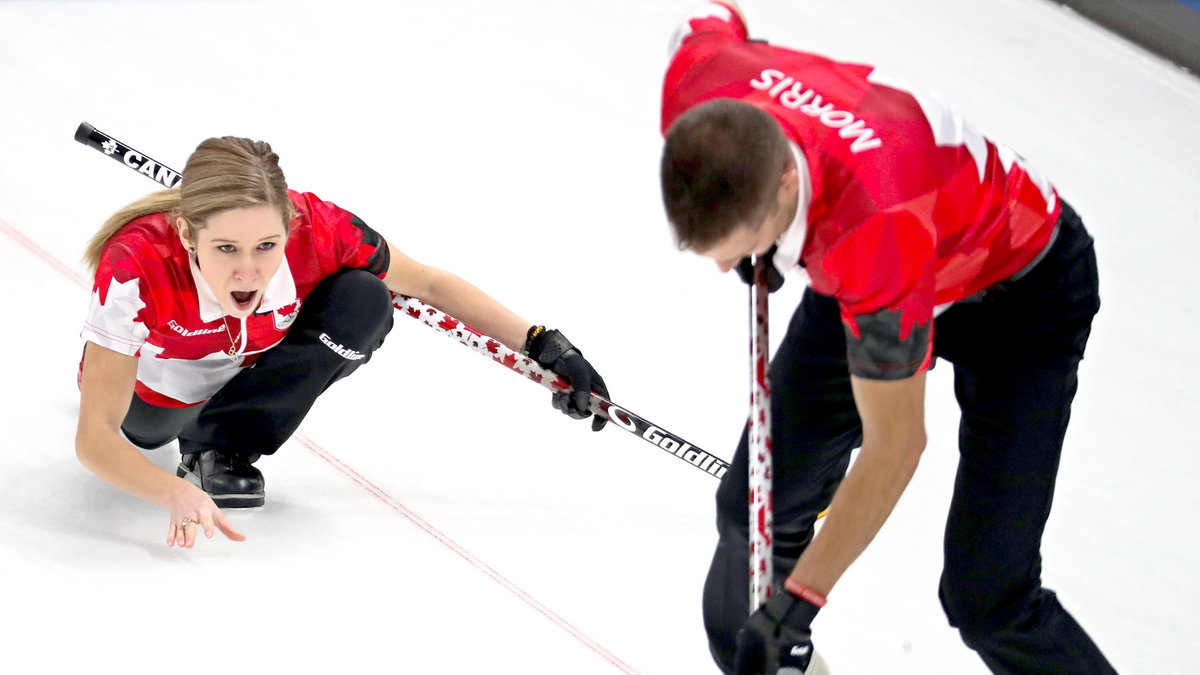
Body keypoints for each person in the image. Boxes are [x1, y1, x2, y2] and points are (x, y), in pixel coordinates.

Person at [659, 3, 1114, 674]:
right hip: (894, 244)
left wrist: (798, 603)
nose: (729, 269)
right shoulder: (700, 81)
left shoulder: (871, 231)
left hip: (1023, 294)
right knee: (752, 508)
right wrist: (762, 244)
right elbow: (708, 16)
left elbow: (895, 445)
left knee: (988, 594)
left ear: (786, 186)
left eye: (741, 248)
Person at [76, 136, 608, 549]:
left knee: (364, 297)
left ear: (290, 226)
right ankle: (187, 430)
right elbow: (94, 436)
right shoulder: (137, 266)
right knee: (143, 436)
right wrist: (170, 491)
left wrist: (545, 344)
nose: (247, 271)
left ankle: (221, 443)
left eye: (267, 245)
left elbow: (426, 282)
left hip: (258, 360)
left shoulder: (322, 230)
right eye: (225, 248)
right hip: (162, 395)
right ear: (188, 235)